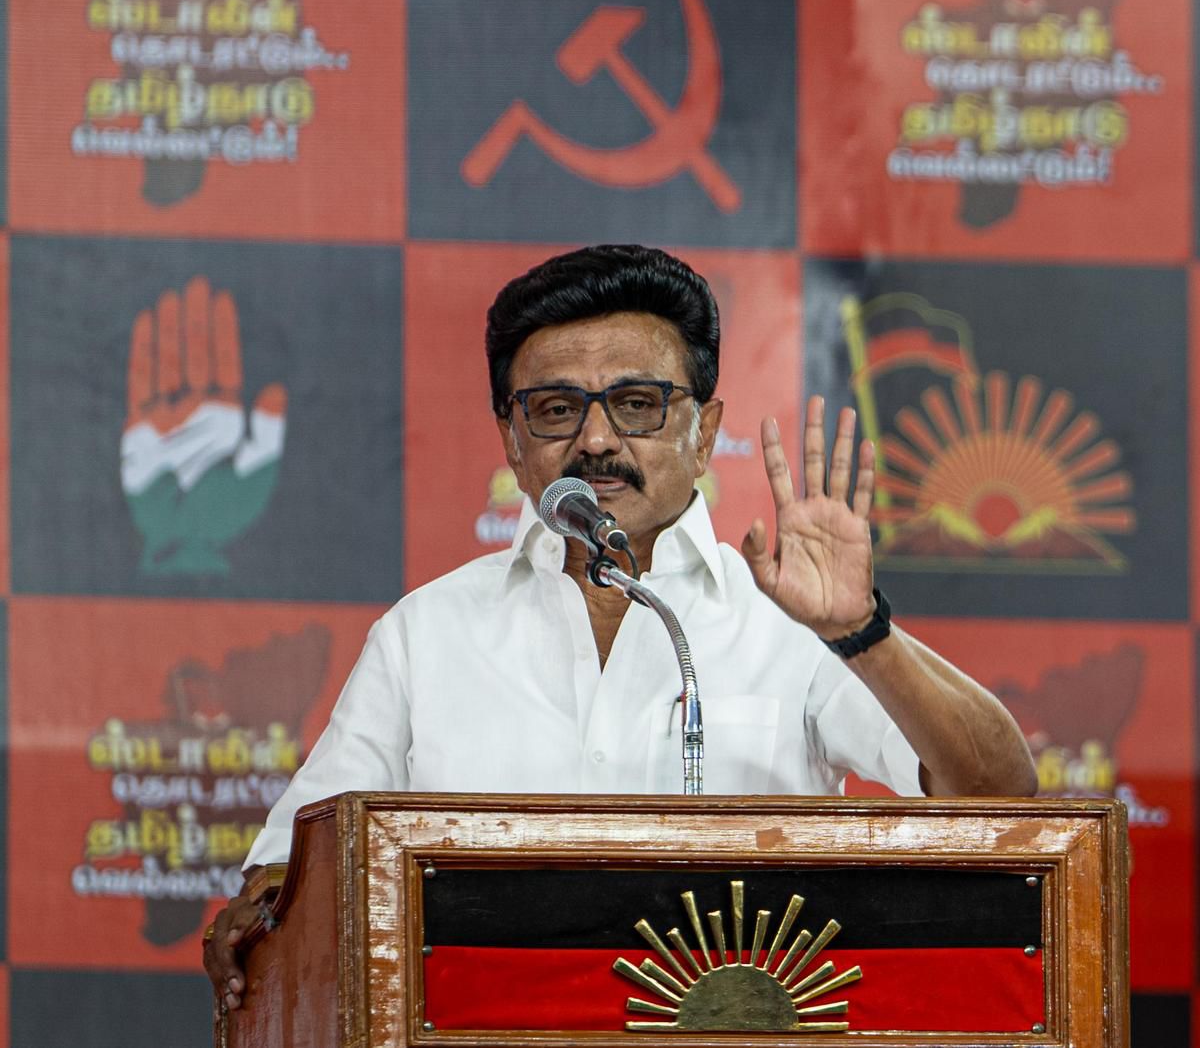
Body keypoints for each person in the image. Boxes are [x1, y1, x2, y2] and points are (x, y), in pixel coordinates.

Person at [204, 244, 1037, 1007]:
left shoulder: (786, 623)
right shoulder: (426, 633)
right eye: (556, 409)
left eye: (638, 404)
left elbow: (998, 794)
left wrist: (860, 630)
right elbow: (291, 872)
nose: (596, 440)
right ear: (513, 441)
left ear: (704, 434)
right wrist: (265, 902)